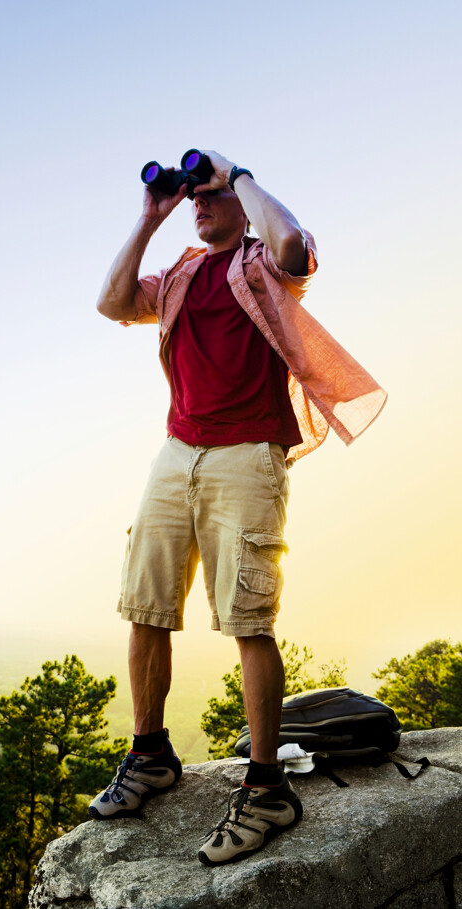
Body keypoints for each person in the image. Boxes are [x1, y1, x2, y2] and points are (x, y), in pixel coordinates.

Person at [89, 149, 386, 866]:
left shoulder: (261, 265)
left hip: (248, 454)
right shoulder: (184, 272)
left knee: (248, 621)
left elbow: (293, 244)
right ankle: (151, 753)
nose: (197, 201)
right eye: (192, 195)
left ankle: (266, 786)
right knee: (145, 606)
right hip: (176, 450)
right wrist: (150, 215)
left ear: (235, 197)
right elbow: (111, 301)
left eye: (206, 192)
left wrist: (240, 174)